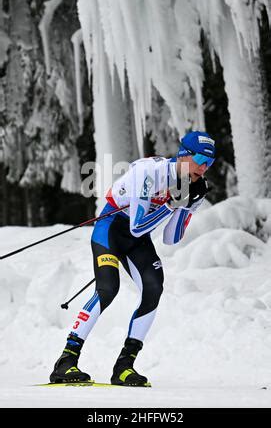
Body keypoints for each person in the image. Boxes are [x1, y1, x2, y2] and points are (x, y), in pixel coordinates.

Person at [50, 130, 216, 386]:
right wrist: (171, 205)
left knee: (154, 286)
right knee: (108, 289)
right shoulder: (149, 173)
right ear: (184, 155)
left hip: (137, 239)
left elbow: (171, 238)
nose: (204, 168)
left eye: (210, 164)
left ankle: (124, 366)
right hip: (112, 228)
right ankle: (66, 361)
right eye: (200, 160)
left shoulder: (194, 186)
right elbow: (136, 226)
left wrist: (186, 206)